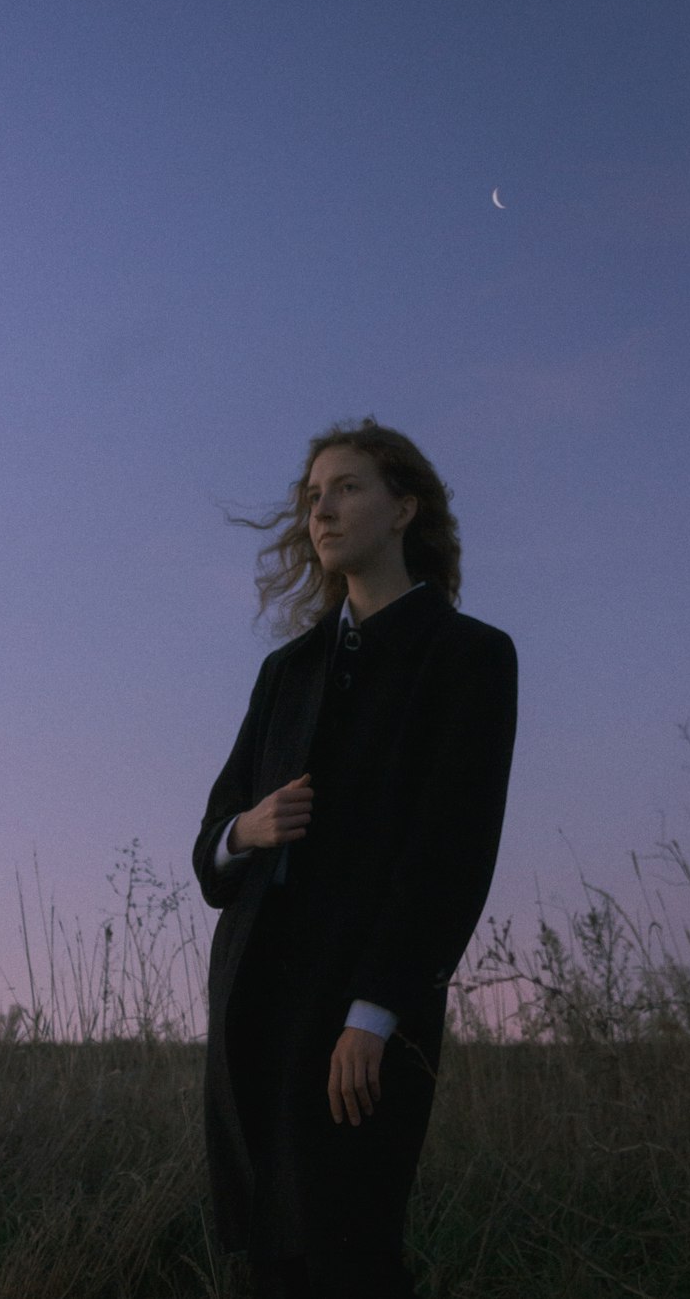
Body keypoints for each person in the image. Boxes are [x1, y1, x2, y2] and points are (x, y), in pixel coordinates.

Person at [192, 418, 517, 1299]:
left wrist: (373, 1014)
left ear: (404, 506)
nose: (321, 510)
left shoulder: (470, 658)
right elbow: (211, 845)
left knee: (353, 1250)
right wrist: (246, 831)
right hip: (258, 991)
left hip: (367, 998)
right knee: (272, 1264)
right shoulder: (287, 672)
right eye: (312, 496)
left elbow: (453, 854)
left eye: (346, 488)